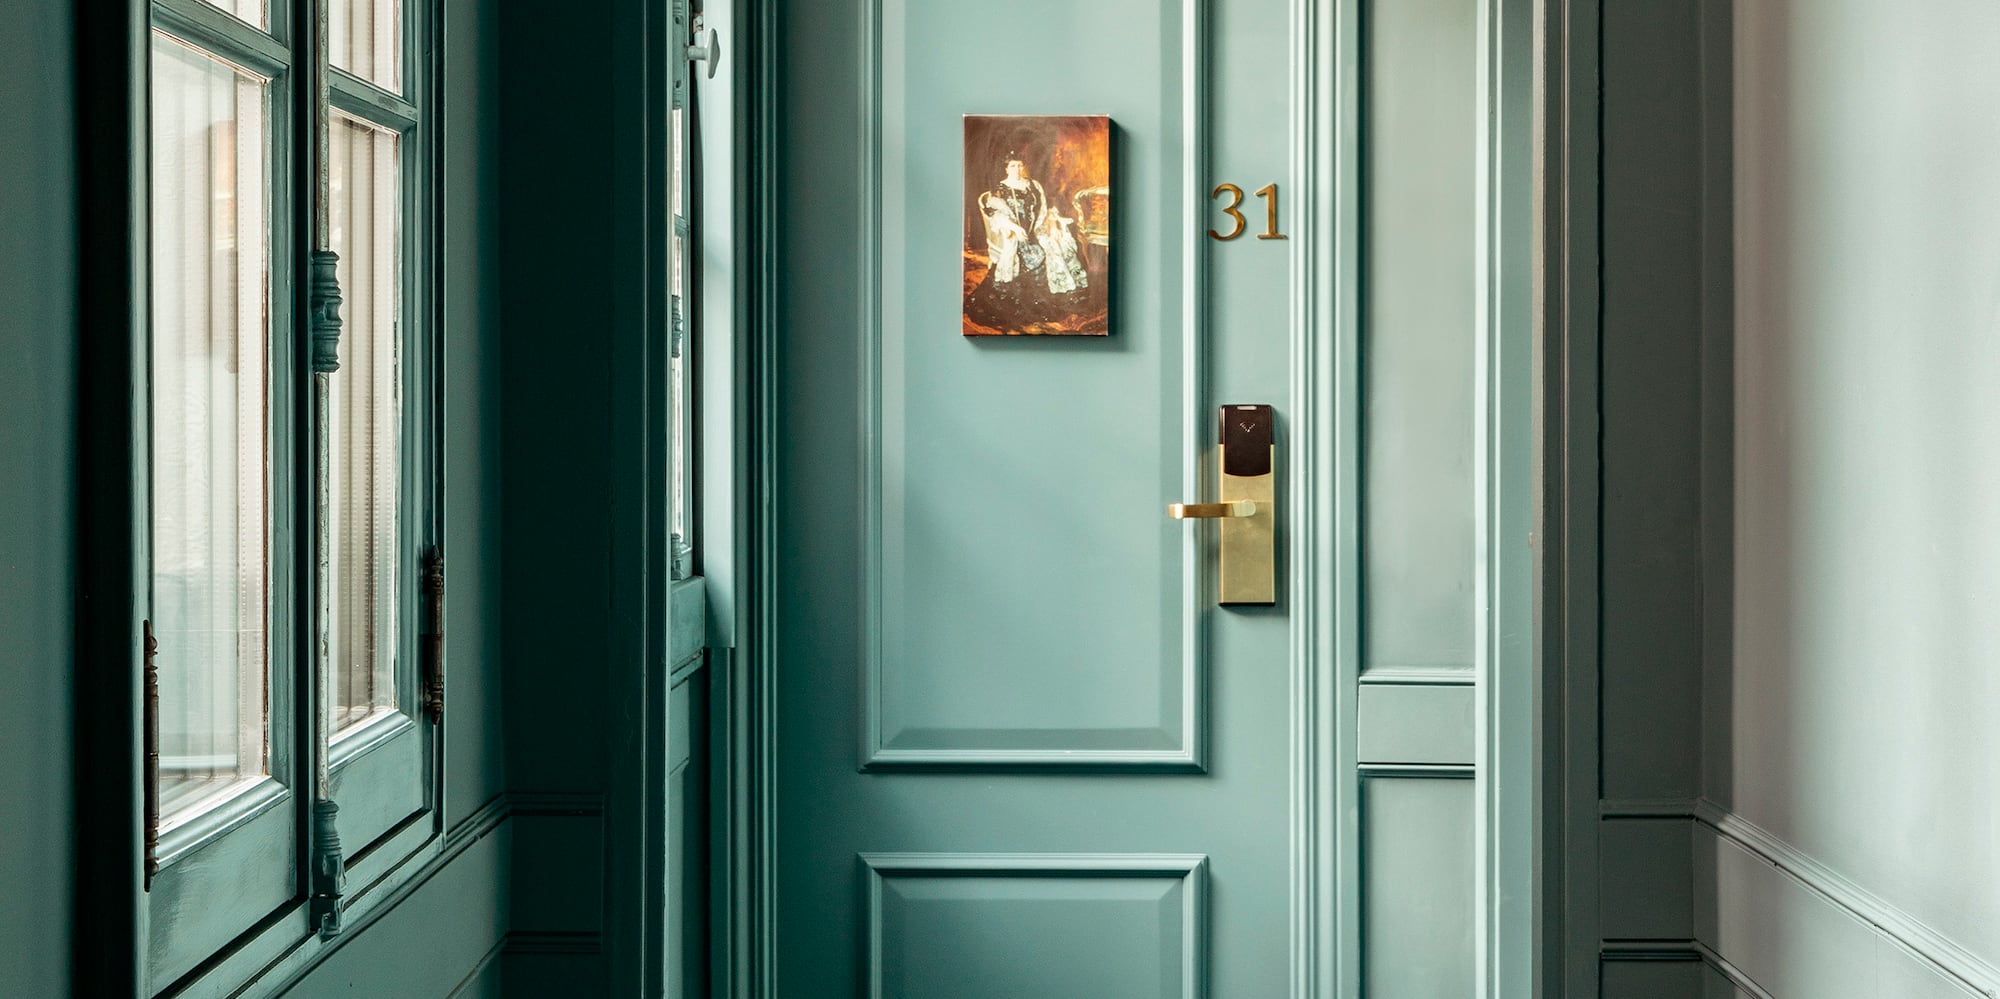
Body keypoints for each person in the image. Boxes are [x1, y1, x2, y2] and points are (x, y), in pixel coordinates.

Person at [966, 151, 1088, 330]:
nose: (1017, 169)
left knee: (1059, 245)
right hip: (1016, 235)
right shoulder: (1000, 189)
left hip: (1035, 231)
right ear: (1006, 168)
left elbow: (1043, 210)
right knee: (1029, 259)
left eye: (1020, 165)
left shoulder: (1033, 185)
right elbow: (997, 215)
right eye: (1013, 166)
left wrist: (1050, 227)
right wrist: (1015, 228)